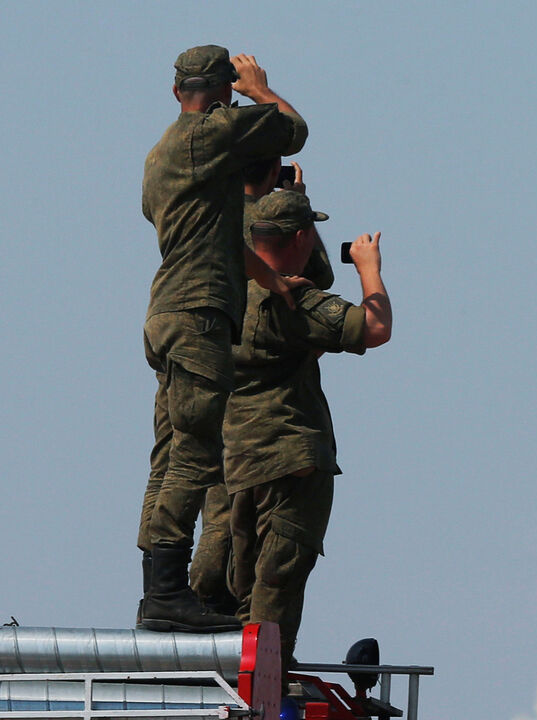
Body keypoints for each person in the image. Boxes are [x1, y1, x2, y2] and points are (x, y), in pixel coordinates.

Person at [137, 45, 310, 632]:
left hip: (167, 313)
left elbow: (213, 236)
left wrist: (271, 281)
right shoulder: (211, 132)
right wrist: (259, 89)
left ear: (175, 91)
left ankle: (157, 586)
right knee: (198, 454)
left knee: (169, 453)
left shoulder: (160, 154)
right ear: (220, 95)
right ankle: (167, 593)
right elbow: (293, 132)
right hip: (200, 315)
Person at [225, 190, 392, 662]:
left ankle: (246, 667)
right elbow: (375, 329)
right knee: (279, 576)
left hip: (239, 458)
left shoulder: (228, 290)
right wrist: (369, 269)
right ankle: (266, 676)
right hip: (291, 454)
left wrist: (288, 199)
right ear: (301, 237)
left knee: (245, 582)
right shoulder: (292, 300)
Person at [189, 160, 332, 615]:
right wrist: (298, 207)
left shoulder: (212, 223)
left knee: (221, 524)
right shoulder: (269, 240)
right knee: (266, 562)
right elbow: (325, 284)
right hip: (272, 431)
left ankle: (198, 611)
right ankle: (239, 629)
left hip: (218, 411)